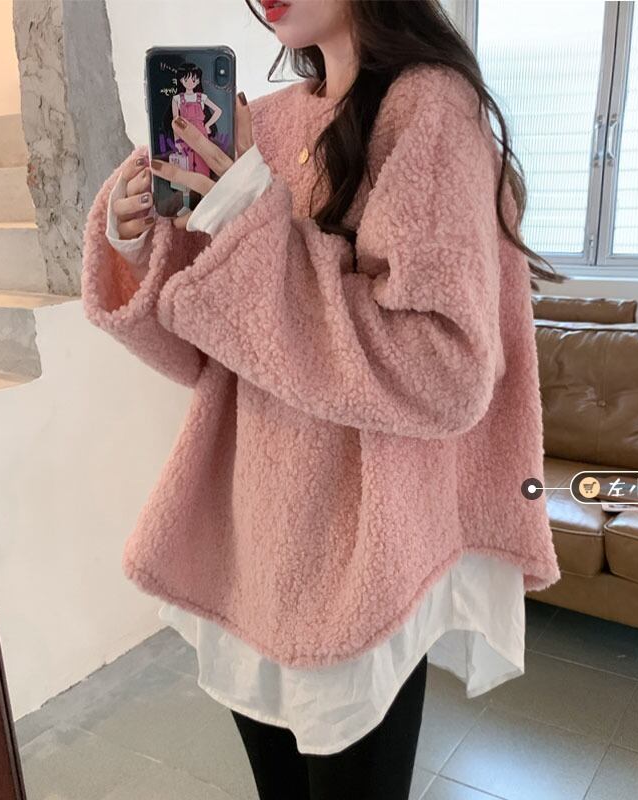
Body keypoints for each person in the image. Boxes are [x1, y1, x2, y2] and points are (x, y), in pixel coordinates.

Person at [80, 1, 566, 797]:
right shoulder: (263, 122)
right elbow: (209, 357)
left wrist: (247, 213)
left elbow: (442, 368)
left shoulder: (428, 107)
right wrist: (138, 243)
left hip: (357, 552)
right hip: (251, 541)